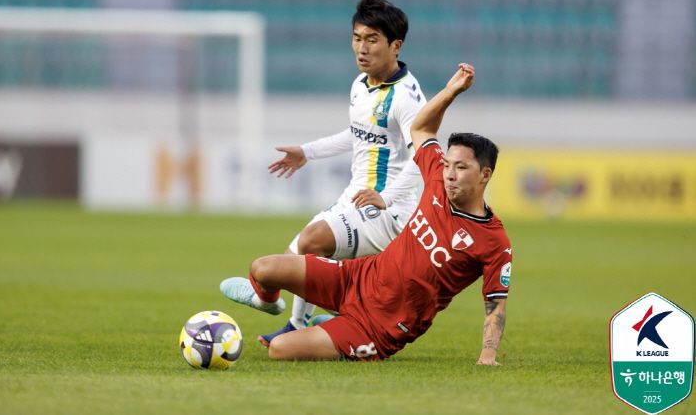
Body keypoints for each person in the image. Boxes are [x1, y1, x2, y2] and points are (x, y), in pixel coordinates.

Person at [220, 63, 514, 364]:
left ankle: (339, 332)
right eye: (448, 165)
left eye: (461, 167)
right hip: (356, 278)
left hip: (382, 324)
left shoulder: (494, 242)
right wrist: (450, 92)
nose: (449, 174)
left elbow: (495, 303)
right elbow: (422, 128)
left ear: (485, 174)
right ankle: (279, 305)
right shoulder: (437, 180)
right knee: (263, 268)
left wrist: (487, 355)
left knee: (280, 349)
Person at [257, 0, 427, 345]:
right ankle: (340, 311)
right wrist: (307, 151)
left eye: (372, 40)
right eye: (357, 38)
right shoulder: (361, 85)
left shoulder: (406, 99)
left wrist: (385, 197)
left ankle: (303, 324)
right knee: (289, 261)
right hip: (356, 198)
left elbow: (424, 158)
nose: (361, 48)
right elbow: (359, 133)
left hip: (391, 211)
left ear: (395, 46)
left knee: (311, 241)